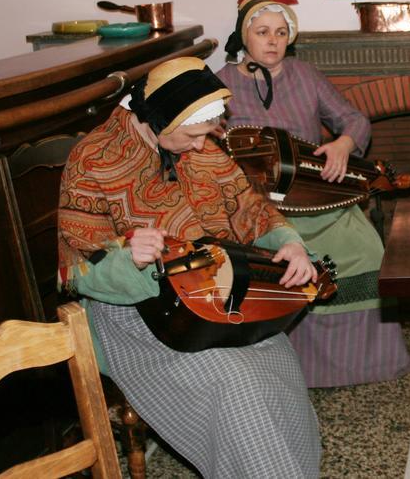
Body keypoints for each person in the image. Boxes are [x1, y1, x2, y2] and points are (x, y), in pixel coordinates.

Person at [57, 57, 322, 478]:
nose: (202, 146)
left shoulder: (200, 148)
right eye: (194, 135)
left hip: (210, 291)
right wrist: (126, 256)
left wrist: (290, 245)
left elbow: (251, 209)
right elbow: (75, 271)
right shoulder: (93, 158)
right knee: (235, 381)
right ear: (161, 120)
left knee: (275, 358)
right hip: (135, 313)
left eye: (205, 135)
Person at [217, 0, 410, 388]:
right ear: (244, 36)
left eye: (281, 32)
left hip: (316, 197)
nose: (273, 41)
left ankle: (363, 363)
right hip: (259, 208)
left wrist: (342, 145)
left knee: (367, 248)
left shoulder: (305, 75)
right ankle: (294, 367)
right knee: (278, 266)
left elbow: (354, 119)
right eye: (262, 32)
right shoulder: (220, 84)